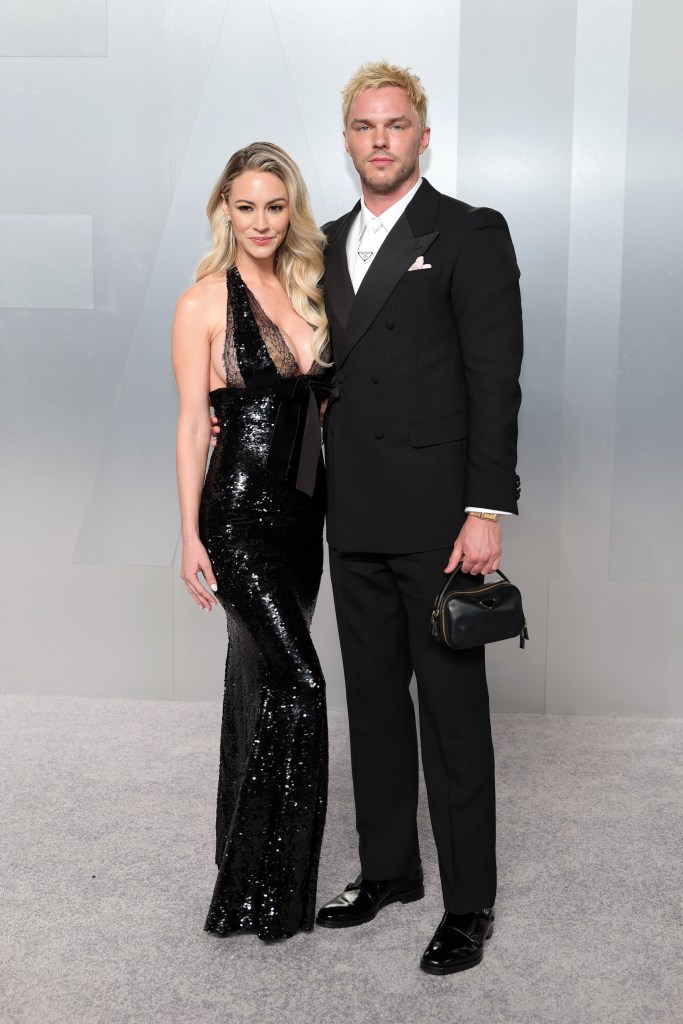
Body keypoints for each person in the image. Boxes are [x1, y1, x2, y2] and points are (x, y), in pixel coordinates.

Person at [314, 62, 523, 975]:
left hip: (440, 516)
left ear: (422, 135)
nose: (381, 140)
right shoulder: (316, 244)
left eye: (396, 125)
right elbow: (302, 369)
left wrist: (486, 507)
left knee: (450, 712)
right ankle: (388, 871)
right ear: (348, 139)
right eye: (365, 126)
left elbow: (495, 381)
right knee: (372, 706)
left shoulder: (468, 231)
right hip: (351, 509)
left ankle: (467, 902)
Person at [172, 142, 334, 942]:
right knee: (302, 683)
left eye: (275, 206)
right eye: (246, 206)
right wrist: (187, 535)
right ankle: (263, 895)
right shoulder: (204, 300)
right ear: (223, 210)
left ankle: (248, 871)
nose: (261, 221)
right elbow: (186, 424)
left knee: (261, 682)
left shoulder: (309, 290)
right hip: (235, 515)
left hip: (307, 520)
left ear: (288, 211)